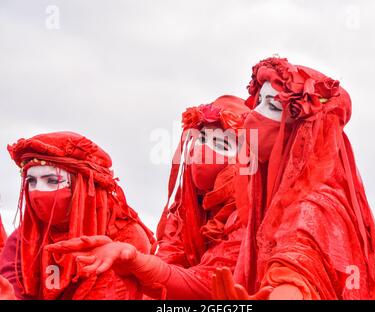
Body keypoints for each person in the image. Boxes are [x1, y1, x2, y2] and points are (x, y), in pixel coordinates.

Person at [212, 56, 375, 300]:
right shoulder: (271, 197)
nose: (252, 115)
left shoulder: (315, 203)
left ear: (303, 128)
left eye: (272, 106)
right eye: (258, 101)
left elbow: (298, 263)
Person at [46, 96, 251, 299]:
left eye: (223, 146)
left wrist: (138, 263)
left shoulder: (250, 214)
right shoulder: (184, 213)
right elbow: (165, 277)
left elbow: (213, 285)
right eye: (201, 140)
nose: (203, 151)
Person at [0, 132, 154, 300]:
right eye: (31, 181)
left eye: (52, 181)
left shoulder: (124, 236)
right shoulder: (25, 236)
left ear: (85, 186)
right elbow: (12, 285)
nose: (37, 192)